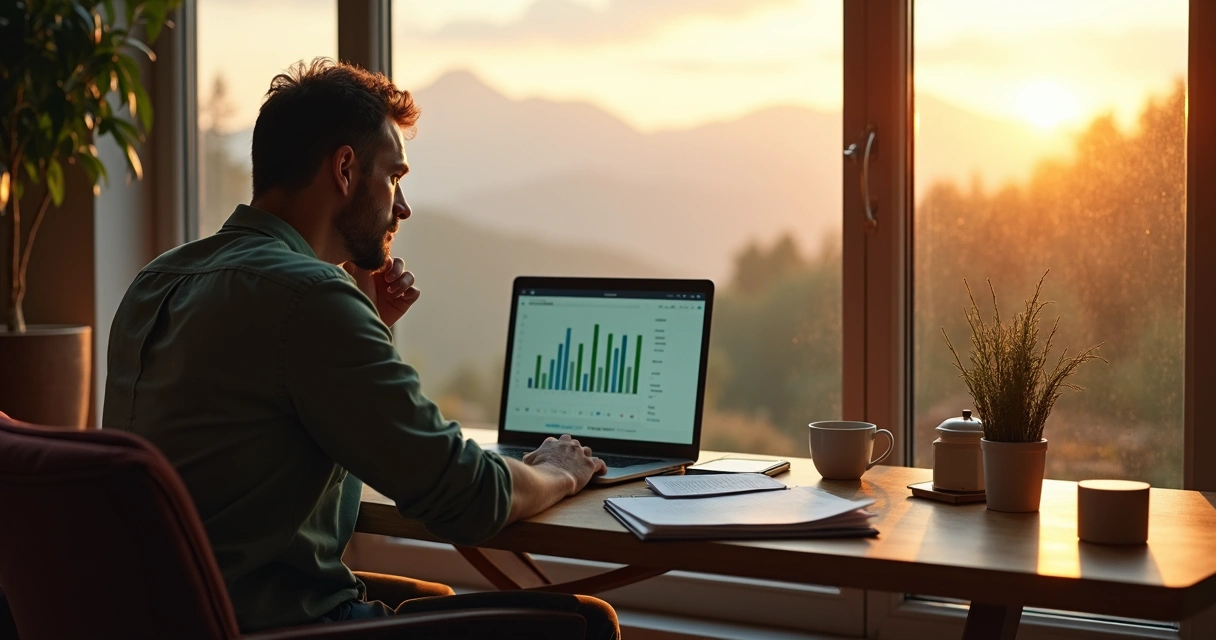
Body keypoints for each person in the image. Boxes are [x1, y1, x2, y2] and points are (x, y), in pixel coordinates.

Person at [103, 58, 617, 638]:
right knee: (583, 626)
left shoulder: (158, 279)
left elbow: (258, 423)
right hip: (268, 624)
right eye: (394, 176)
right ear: (345, 169)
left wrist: (364, 321)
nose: (403, 207)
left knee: (434, 596)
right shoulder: (310, 297)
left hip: (159, 614)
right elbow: (468, 497)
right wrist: (558, 470)